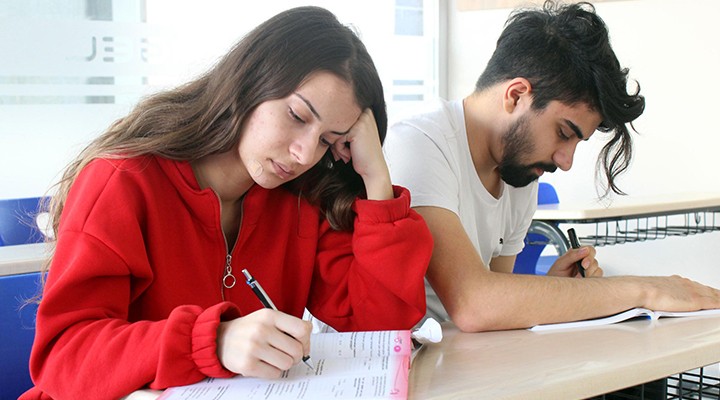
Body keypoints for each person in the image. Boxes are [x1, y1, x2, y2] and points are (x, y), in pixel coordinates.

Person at [22, 6, 432, 399]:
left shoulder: (302, 196)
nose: (305, 153)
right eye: (296, 116)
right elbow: (64, 355)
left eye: (327, 140)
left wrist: (376, 179)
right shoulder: (123, 181)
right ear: (252, 81)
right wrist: (213, 341)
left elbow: (382, 329)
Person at [383, 0, 720, 332]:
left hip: (458, 356)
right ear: (516, 96)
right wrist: (643, 290)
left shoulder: (517, 173)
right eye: (563, 133)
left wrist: (556, 287)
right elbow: (473, 304)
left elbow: (494, 307)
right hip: (401, 360)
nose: (566, 161)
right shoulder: (419, 142)